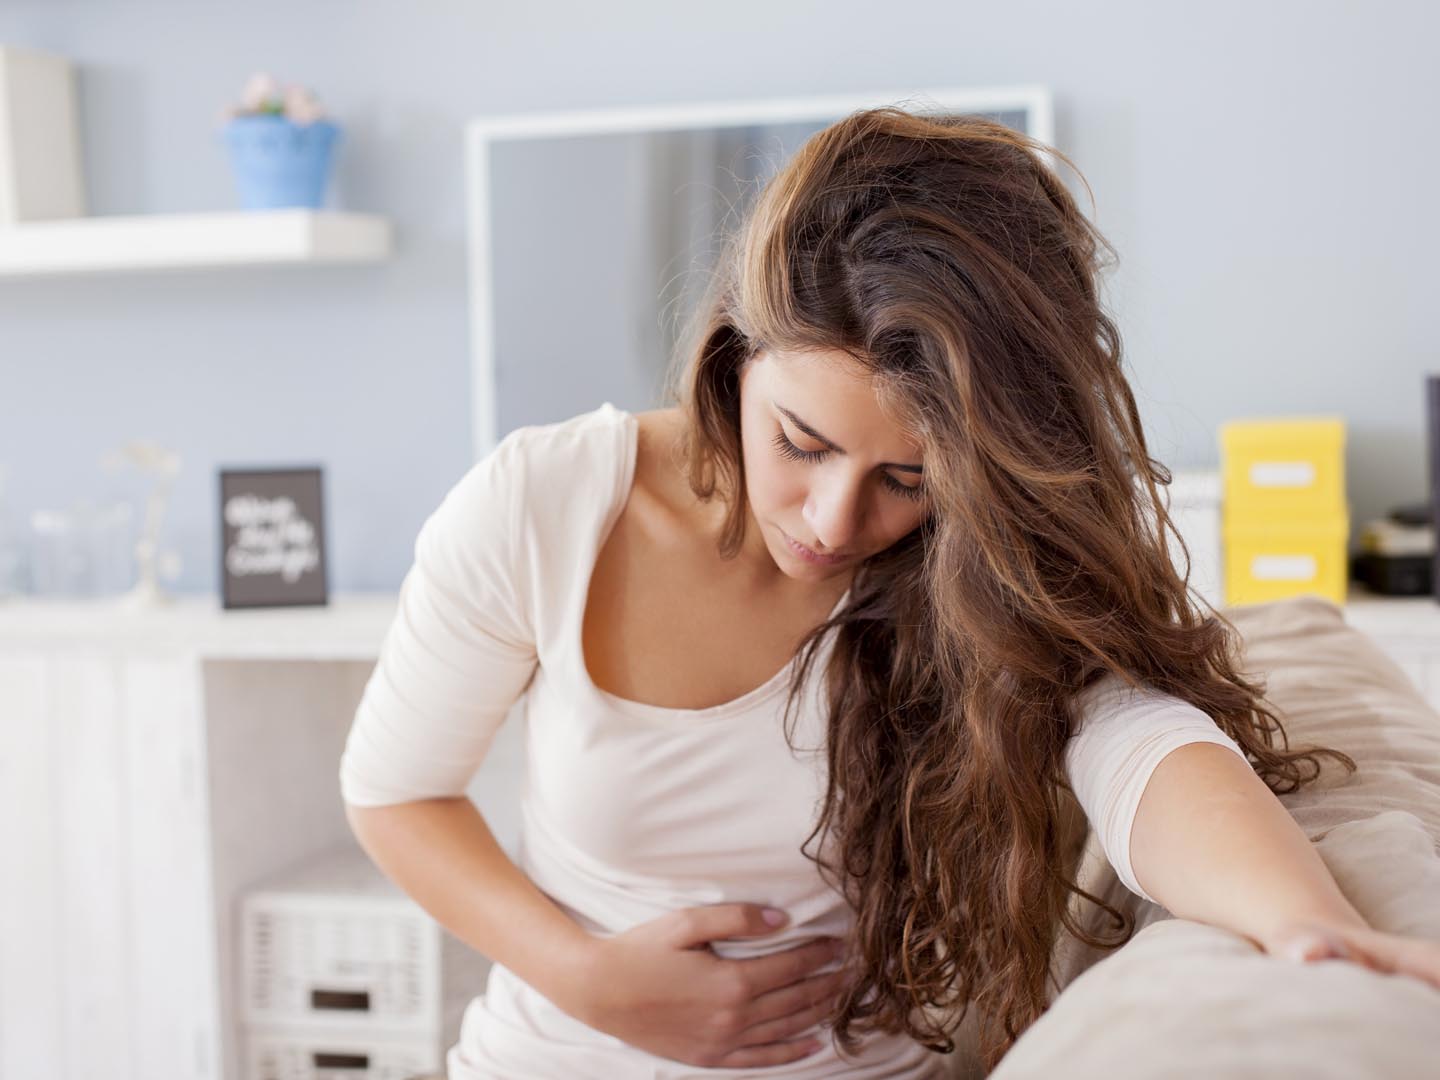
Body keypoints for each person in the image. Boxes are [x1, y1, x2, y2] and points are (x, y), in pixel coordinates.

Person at [339, 106, 1440, 1079]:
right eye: (799, 442)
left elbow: (1141, 745)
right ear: (734, 352)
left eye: (904, 480)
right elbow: (394, 793)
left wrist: (1307, 923)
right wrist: (585, 977)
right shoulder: (546, 506)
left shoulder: (981, 567)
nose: (831, 524)